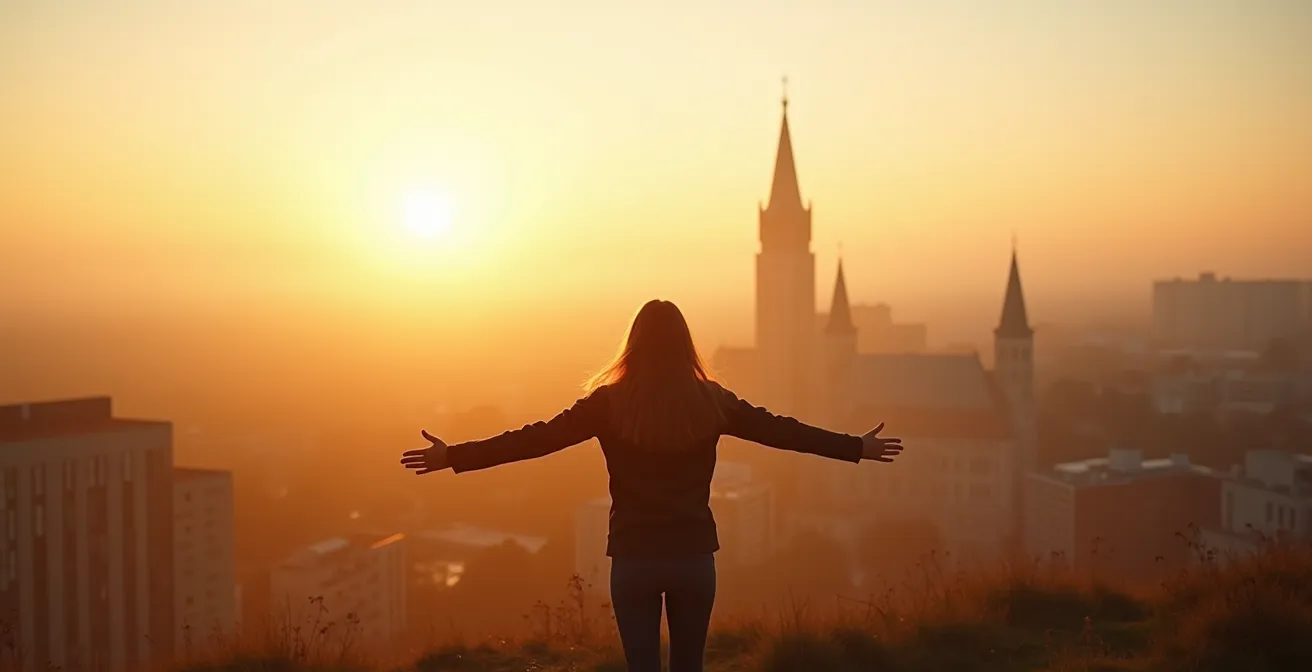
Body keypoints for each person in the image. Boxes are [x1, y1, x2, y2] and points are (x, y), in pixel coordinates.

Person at [400, 299, 903, 672]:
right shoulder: (712, 401)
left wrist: (453, 457)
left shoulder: (607, 404)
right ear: (685, 345)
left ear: (633, 345)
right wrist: (855, 447)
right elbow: (783, 432)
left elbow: (535, 440)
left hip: (634, 559)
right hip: (693, 558)